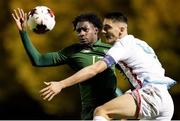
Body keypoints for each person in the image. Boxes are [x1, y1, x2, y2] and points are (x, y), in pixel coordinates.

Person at [40, 11, 176, 120]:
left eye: (107, 28)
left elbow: (95, 69)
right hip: (166, 102)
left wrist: (61, 84)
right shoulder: (141, 44)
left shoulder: (121, 46)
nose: (103, 32)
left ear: (121, 30)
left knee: (101, 111)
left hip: (151, 96)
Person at [12, 8, 123, 120]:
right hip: (91, 112)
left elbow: (132, 72)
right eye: (78, 31)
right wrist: (23, 32)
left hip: (113, 108)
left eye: (85, 30)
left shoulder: (112, 50)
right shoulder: (72, 51)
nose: (81, 34)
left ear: (96, 30)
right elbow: (39, 60)